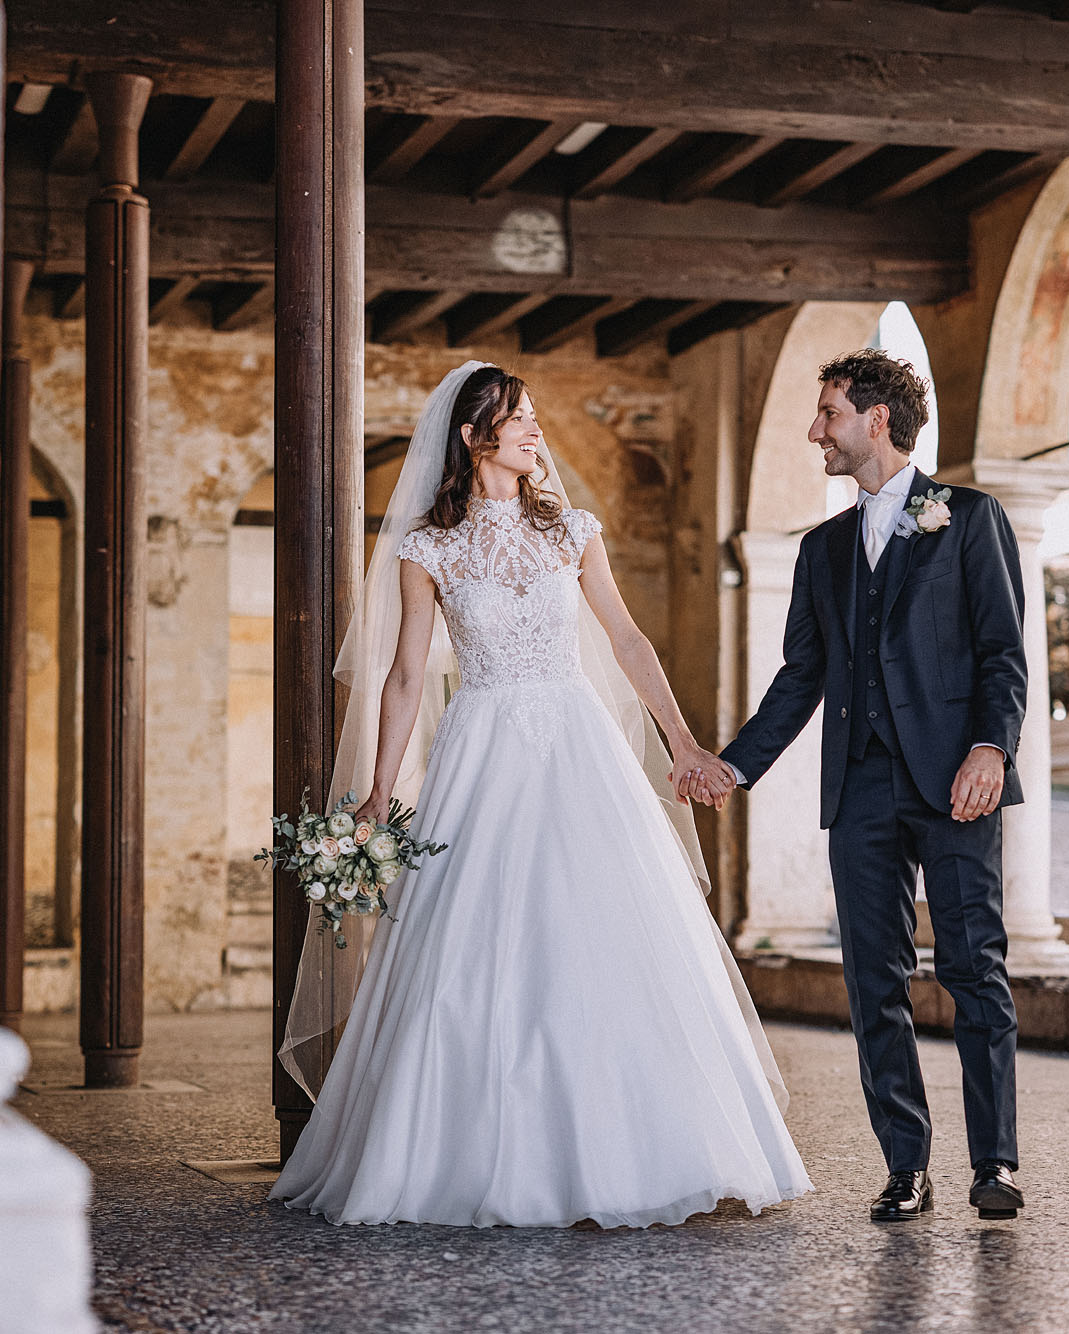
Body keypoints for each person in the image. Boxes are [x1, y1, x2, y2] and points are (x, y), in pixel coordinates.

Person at [270, 362, 811, 1228]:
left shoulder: (573, 530)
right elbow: (408, 672)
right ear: (476, 436)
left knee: (606, 931)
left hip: (579, 746)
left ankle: (642, 1149)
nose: (534, 431)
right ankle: (470, 1154)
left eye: (532, 417)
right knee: (473, 946)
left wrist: (683, 743)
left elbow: (627, 640)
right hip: (481, 754)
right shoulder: (429, 547)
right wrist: (377, 787)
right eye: (518, 419)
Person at [684, 348, 1029, 1224]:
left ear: (878, 419)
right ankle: (905, 1168)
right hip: (863, 789)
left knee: (972, 969)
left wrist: (991, 747)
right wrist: (736, 763)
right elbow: (803, 676)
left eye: (829, 412)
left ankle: (995, 1162)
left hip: (957, 783)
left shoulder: (969, 518)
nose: (815, 430)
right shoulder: (822, 549)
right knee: (873, 983)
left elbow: (1003, 654)